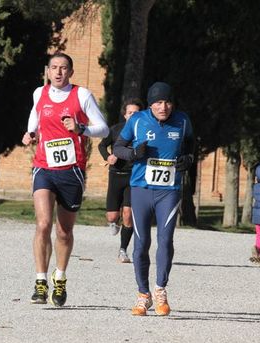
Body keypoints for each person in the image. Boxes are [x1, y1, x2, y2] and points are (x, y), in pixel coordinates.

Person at [21, 53, 109, 306]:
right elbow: (34, 119)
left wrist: (81, 129)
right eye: (54, 68)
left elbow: (102, 128)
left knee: (64, 231)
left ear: (70, 72)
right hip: (44, 167)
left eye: (64, 68)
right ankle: (40, 281)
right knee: (43, 224)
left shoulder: (82, 95)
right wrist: (30, 134)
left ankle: (59, 277)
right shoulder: (40, 93)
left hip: (71, 170)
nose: (58, 72)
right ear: (48, 71)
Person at [113, 82, 194, 316]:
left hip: (169, 190)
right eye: (158, 102)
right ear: (150, 104)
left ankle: (160, 290)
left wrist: (188, 158)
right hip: (141, 190)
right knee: (141, 244)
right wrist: (133, 154)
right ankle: (143, 294)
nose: (164, 107)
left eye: (168, 102)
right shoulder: (137, 120)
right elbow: (118, 147)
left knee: (165, 239)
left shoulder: (182, 120)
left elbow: (190, 144)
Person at [98, 98, 144, 263]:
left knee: (128, 215)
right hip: (116, 175)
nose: (132, 116)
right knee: (112, 216)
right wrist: (108, 156)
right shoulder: (116, 130)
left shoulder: (145, 131)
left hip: (134, 176)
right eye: (130, 113)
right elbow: (102, 145)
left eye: (136, 113)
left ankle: (123, 250)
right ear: (125, 115)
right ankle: (113, 223)